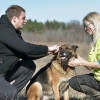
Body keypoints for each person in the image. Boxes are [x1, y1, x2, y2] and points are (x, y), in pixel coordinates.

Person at [0, 5, 59, 100]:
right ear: (14, 18)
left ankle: (8, 95)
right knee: (10, 94)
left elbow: (25, 54)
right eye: (23, 18)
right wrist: (47, 48)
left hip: (3, 73)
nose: (25, 21)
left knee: (29, 66)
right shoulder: (3, 29)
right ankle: (9, 95)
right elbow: (24, 47)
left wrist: (48, 52)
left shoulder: (14, 31)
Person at [68, 12, 100, 98]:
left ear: (95, 23)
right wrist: (75, 55)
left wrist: (80, 63)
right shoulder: (94, 44)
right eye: (84, 26)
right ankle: (97, 96)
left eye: (87, 25)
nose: (85, 28)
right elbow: (90, 67)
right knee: (74, 81)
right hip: (98, 79)